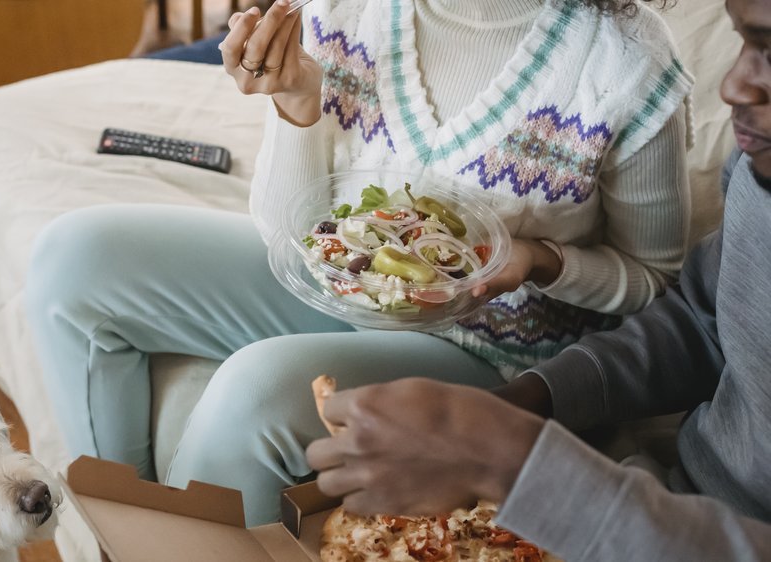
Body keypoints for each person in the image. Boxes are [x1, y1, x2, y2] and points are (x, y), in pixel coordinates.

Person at [25, 0, 694, 525]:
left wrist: (541, 260)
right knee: (73, 257)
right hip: (339, 284)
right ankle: (124, 528)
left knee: (253, 392)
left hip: (495, 354)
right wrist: (296, 107)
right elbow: (284, 231)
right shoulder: (341, 10)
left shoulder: (626, 67)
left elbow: (654, 283)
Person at [307, 0, 771, 557]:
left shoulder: (626, 65)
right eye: (744, 41)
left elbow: (654, 279)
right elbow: (702, 320)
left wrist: (517, 460)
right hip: (668, 494)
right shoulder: (759, 171)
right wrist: (518, 406)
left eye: (769, 50)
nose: (735, 88)